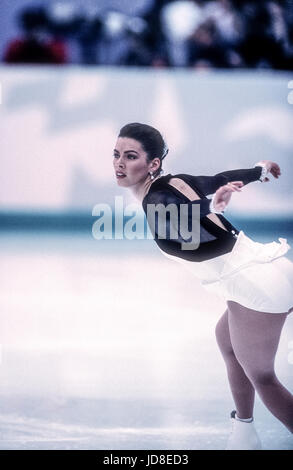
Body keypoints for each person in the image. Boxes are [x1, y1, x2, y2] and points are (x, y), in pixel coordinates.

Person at [113, 122, 293, 450]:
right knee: (226, 341)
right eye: (116, 155)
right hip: (257, 274)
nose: (119, 163)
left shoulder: (159, 198)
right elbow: (215, 181)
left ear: (153, 164)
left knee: (264, 378)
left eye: (130, 156)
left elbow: (189, 218)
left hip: (256, 283)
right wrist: (258, 172)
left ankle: (246, 433)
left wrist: (213, 207)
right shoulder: (174, 183)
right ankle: (244, 431)